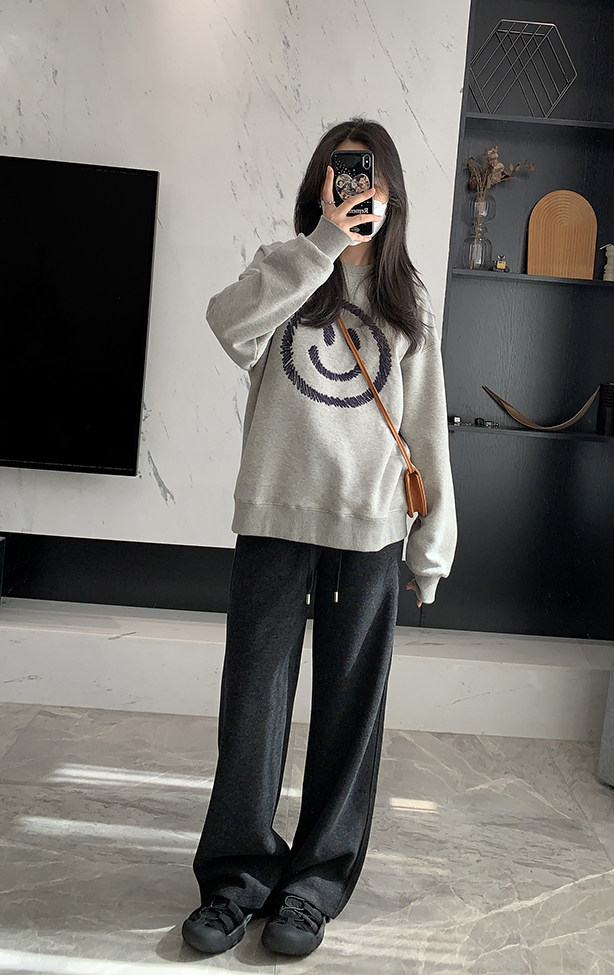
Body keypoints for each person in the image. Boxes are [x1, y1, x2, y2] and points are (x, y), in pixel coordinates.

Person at [181, 117, 458, 958]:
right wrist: (322, 244)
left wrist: (431, 546)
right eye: (341, 176)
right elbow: (228, 327)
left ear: (391, 192)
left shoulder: (406, 302)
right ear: (321, 184)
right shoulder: (286, 267)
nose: (354, 189)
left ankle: (312, 887)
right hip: (275, 517)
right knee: (253, 707)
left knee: (349, 713)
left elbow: (426, 429)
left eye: (367, 178)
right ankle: (235, 880)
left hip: (369, 531)